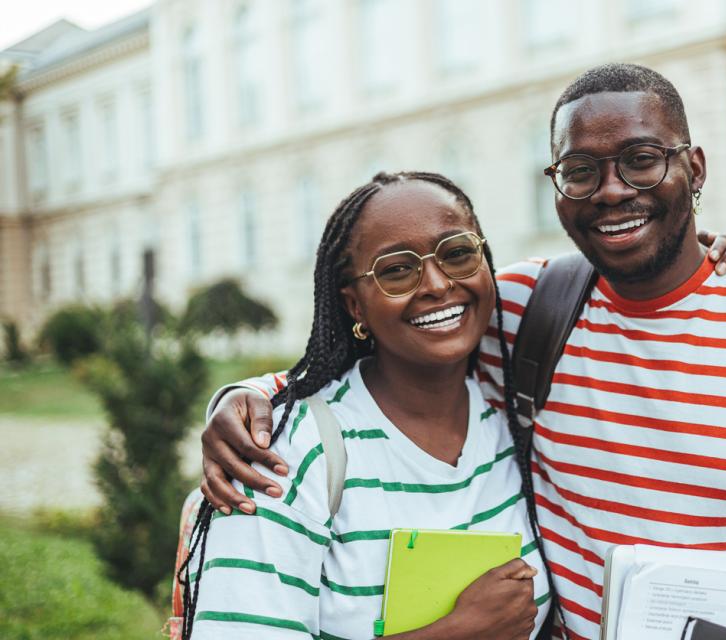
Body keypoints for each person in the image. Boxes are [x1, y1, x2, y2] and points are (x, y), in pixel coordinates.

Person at [201, 63, 726, 640]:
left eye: (641, 160)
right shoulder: (526, 310)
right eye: (581, 170)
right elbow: (387, 347)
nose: (611, 190)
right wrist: (250, 401)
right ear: (556, 186)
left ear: (693, 170)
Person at [182, 172, 551, 639]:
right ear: (355, 306)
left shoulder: (509, 417)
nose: (437, 284)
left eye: (457, 253)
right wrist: (459, 632)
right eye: (397, 269)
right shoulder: (287, 455)